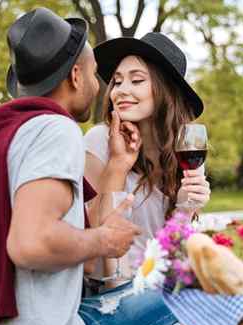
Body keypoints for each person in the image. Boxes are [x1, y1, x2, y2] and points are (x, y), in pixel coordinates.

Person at [0, 8, 172, 325]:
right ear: (76, 76)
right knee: (194, 281)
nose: (100, 89)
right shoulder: (56, 128)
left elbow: (79, 266)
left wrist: (117, 170)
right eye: (97, 76)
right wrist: (104, 239)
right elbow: (31, 244)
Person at [82, 32, 211, 282]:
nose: (121, 91)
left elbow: (172, 251)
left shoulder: (186, 150)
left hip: (160, 284)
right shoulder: (99, 141)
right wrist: (117, 166)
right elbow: (94, 235)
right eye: (117, 82)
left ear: (165, 90)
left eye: (137, 80)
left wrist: (186, 208)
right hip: (112, 291)